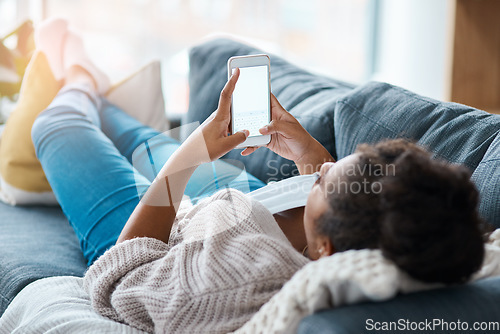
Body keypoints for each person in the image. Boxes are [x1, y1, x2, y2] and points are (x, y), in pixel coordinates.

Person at [20, 19, 491, 333]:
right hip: (234, 204)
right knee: (136, 134)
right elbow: (346, 208)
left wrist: (189, 157)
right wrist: (310, 155)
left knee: (56, 128)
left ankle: (79, 79)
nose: (321, 171)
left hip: (151, 235)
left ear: (326, 249)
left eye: (323, 181)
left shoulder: (231, 284)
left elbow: (118, 282)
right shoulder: (374, 234)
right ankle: (104, 98)